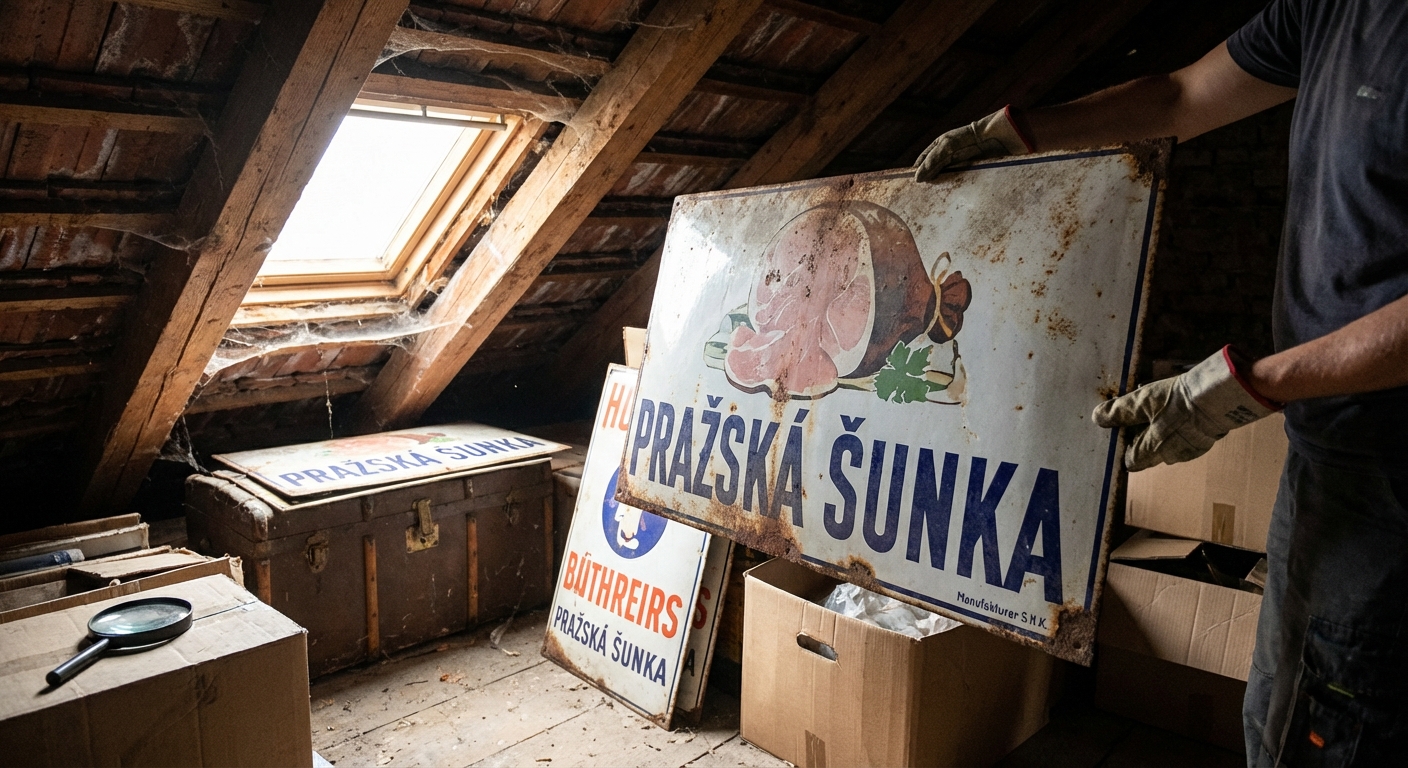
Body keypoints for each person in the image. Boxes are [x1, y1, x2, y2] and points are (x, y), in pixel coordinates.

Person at [915, 1, 1408, 764]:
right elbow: (1180, 95)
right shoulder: (1328, 9)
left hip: (1394, 472)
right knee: (1282, 713)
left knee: (1343, 725)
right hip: (1326, 450)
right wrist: (1022, 132)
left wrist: (1253, 385)